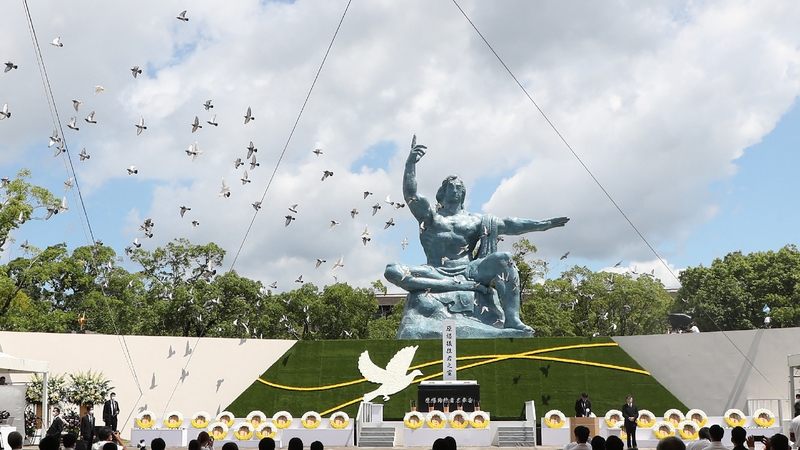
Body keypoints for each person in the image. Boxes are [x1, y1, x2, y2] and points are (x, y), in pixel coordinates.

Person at [384, 137, 569, 332]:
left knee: (504, 259)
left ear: (463, 194)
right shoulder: (431, 218)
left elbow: (510, 224)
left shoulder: (476, 221)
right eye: (451, 187)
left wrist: (542, 225)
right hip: (435, 270)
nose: (455, 190)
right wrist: (410, 163)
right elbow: (411, 195)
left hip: (469, 270)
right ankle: (454, 285)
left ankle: (513, 319)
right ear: (442, 192)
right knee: (392, 269)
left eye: (459, 188)